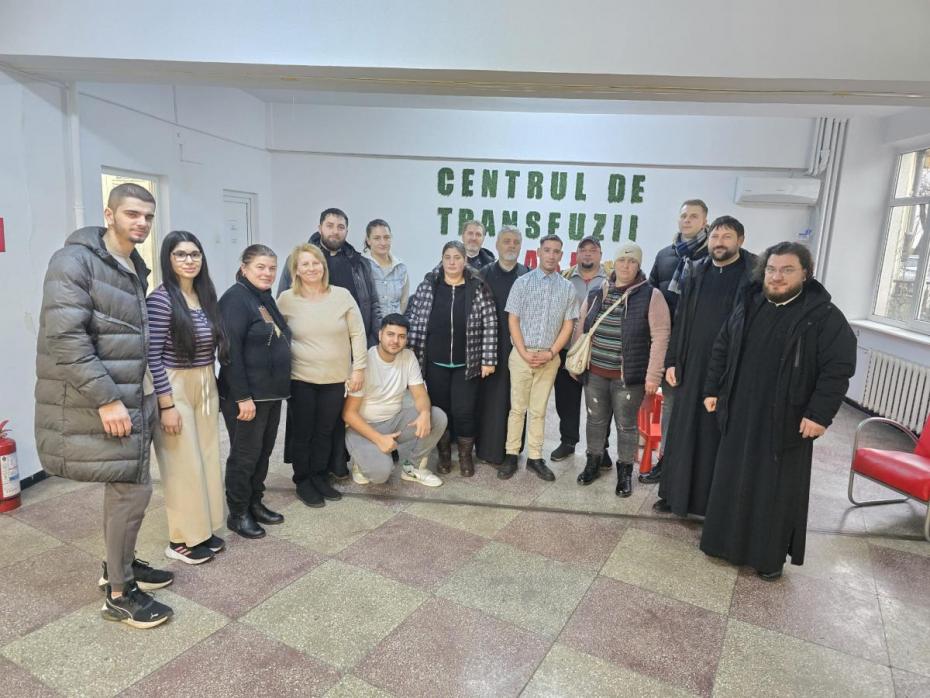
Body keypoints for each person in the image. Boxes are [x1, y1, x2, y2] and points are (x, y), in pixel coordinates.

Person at [35, 183, 173, 628]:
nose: (142, 223)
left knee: (133, 488)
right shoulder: (73, 261)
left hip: (136, 393)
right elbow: (65, 338)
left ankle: (120, 566)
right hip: (108, 399)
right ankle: (119, 593)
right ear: (109, 215)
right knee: (130, 491)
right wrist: (108, 399)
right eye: (133, 214)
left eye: (148, 216)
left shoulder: (133, 263)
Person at [701, 242, 856, 580]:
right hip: (739, 411)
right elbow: (722, 347)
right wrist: (713, 389)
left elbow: (838, 368)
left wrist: (819, 414)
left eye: (787, 270)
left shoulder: (822, 316)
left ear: (805, 274)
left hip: (787, 419)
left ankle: (766, 557)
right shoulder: (749, 303)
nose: (777, 276)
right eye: (771, 269)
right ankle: (723, 544)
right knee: (732, 478)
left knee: (774, 489)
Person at [654, 216, 756, 516]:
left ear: (740, 240)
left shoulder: (753, 274)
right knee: (684, 431)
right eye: (715, 237)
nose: (719, 242)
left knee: (716, 434)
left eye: (727, 237)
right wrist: (672, 360)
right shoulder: (697, 270)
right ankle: (675, 495)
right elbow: (681, 318)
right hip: (692, 364)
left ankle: (713, 503)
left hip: (731, 368)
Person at [277, 208, 380, 480]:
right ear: (320, 227)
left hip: (338, 368)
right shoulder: (288, 292)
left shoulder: (357, 266)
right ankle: (305, 478)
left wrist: (360, 363)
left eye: (341, 226)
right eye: (330, 225)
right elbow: (277, 330)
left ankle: (327, 471)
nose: (335, 231)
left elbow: (364, 318)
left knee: (330, 425)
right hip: (302, 372)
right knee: (305, 428)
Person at [147, 231, 228, 565]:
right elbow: (152, 356)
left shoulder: (204, 295)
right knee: (182, 464)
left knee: (207, 457)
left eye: (195, 254)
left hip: (205, 381)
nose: (189, 260)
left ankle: (202, 530)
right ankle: (179, 539)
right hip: (174, 384)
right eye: (180, 254)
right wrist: (166, 404)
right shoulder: (161, 299)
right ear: (168, 259)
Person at [572, 243, 670, 496]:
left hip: (628, 377)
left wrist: (653, 375)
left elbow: (661, 337)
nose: (626, 266)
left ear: (639, 265)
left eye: (632, 261)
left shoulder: (651, 296)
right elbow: (582, 327)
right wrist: (575, 360)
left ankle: (625, 472)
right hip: (595, 372)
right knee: (594, 419)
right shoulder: (598, 292)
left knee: (626, 425)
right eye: (622, 261)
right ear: (613, 264)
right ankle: (593, 462)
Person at [278, 244, 366, 507]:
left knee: (326, 431)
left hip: (335, 378)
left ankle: (319, 476)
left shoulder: (342, 296)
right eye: (304, 264)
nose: (311, 268)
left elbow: (357, 334)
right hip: (300, 377)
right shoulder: (286, 299)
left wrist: (358, 369)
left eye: (316, 263)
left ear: (323, 267)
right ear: (296, 270)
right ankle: (303, 480)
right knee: (303, 431)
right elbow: (274, 335)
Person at [218, 244, 292, 539]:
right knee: (244, 456)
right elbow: (229, 352)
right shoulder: (235, 299)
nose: (267, 273)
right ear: (244, 268)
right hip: (247, 397)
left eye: (272, 268)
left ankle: (254, 502)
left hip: (270, 394)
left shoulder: (263, 297)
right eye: (260, 267)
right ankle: (238, 513)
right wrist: (242, 397)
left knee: (263, 452)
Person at [405, 240, 498, 476]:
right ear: (442, 259)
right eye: (448, 257)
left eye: (457, 257)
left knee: (464, 412)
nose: (452, 262)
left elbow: (490, 322)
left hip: (466, 363)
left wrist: (488, 359)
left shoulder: (477, 286)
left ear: (465, 260)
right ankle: (444, 454)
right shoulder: (429, 285)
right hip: (435, 363)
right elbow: (414, 319)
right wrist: (412, 357)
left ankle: (465, 457)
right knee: (440, 411)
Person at [499, 234, 579, 480]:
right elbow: (513, 319)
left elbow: (568, 325)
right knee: (517, 409)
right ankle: (511, 455)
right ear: (539, 252)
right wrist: (524, 352)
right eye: (547, 250)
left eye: (556, 251)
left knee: (539, 410)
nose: (551, 255)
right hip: (521, 355)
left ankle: (535, 457)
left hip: (549, 357)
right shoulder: (522, 282)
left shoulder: (567, 288)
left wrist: (551, 353)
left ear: (561, 255)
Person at [641, 199, 710, 484]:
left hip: (699, 346)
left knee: (696, 407)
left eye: (694, 216)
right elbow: (650, 296)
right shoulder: (665, 255)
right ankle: (666, 462)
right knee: (669, 405)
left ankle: (694, 465)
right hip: (669, 344)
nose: (687, 220)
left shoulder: (712, 257)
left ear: (705, 221)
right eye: (684, 216)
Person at [343, 314, 448, 487]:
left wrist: (424, 413)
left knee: (436, 416)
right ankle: (360, 462)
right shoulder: (365, 362)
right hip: (362, 428)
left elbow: (420, 395)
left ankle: (413, 467)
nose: (395, 341)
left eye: (401, 336)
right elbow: (349, 414)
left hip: (394, 422)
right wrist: (379, 439)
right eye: (390, 334)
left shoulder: (408, 356)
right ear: (380, 335)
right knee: (380, 475)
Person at [551, 236, 610, 463]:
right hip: (567, 348)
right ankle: (568, 441)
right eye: (583, 250)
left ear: (600, 254)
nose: (587, 253)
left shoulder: (610, 280)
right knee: (566, 400)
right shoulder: (564, 277)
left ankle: (601, 448)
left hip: (599, 351)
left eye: (592, 250)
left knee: (600, 404)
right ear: (576, 254)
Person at [476, 226, 529, 465]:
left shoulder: (527, 275)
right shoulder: (483, 274)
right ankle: (487, 449)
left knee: (516, 401)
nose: (511, 246)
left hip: (519, 349)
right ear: (497, 245)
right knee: (489, 400)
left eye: (516, 242)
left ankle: (512, 451)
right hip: (489, 349)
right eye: (506, 241)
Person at [364, 218, 409, 315]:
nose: (383, 243)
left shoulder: (401, 267)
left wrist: (395, 321)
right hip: (369, 324)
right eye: (377, 238)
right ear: (368, 240)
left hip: (395, 323)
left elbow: (404, 300)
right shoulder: (361, 266)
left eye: (386, 237)